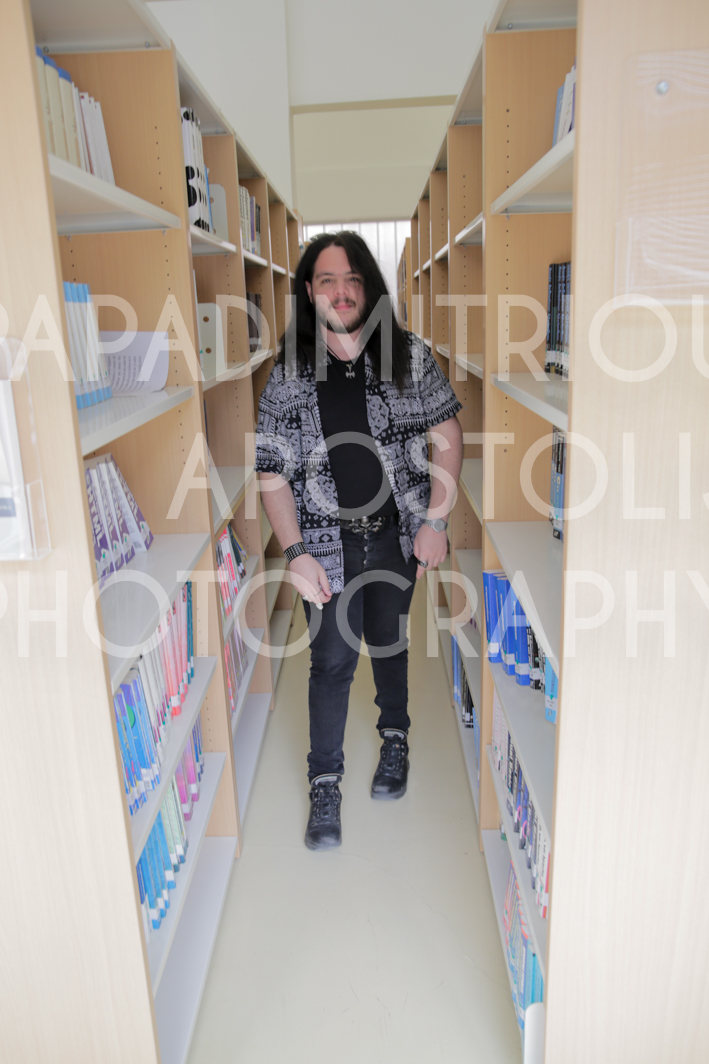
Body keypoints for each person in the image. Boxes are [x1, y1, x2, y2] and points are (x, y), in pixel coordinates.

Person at [255, 231, 462, 850]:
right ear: (309, 292)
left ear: (369, 288)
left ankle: (395, 738)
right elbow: (271, 472)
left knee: (390, 643)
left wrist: (436, 521)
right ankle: (325, 782)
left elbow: (447, 434)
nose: (341, 291)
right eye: (327, 280)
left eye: (352, 279)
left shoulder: (407, 355)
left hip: (396, 537)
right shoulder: (288, 374)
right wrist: (295, 554)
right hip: (327, 548)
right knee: (331, 663)